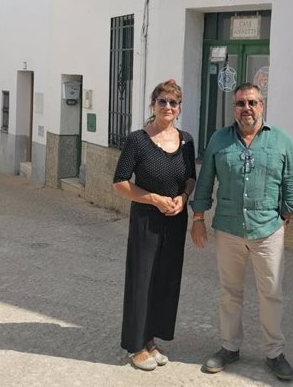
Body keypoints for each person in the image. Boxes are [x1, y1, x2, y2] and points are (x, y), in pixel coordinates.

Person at [191, 82, 293, 381]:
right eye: (241, 103)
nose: (247, 109)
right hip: (228, 230)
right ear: (234, 108)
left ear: (262, 105)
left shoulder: (280, 140)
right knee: (230, 293)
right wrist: (198, 218)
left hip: (267, 231)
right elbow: (205, 181)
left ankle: (274, 353)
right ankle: (229, 347)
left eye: (252, 102)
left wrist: (288, 211)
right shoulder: (219, 139)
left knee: (271, 293)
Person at [112, 79, 196, 371]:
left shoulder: (186, 140)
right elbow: (120, 182)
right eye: (162, 101)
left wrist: (184, 197)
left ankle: (150, 340)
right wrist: (155, 200)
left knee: (165, 280)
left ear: (179, 107)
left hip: (175, 219)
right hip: (147, 218)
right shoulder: (137, 139)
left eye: (173, 103)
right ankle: (135, 345)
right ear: (153, 105)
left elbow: (190, 177)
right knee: (141, 279)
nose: (168, 107)